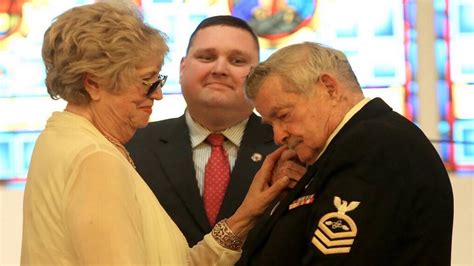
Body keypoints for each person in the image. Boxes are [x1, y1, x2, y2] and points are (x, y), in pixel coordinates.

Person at [20, 2, 294, 265]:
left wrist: (246, 215)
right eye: (147, 82)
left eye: (158, 81)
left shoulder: (61, 139)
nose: (158, 94)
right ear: (93, 84)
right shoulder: (94, 159)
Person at [242, 42, 454, 265]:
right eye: (270, 124)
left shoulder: (373, 145)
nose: (277, 137)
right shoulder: (341, 149)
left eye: (283, 115)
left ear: (329, 88)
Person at [126, 14, 306, 250]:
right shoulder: (132, 146)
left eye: (238, 61)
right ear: (182, 68)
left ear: (259, 78)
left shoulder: (291, 148)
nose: (220, 69)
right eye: (207, 57)